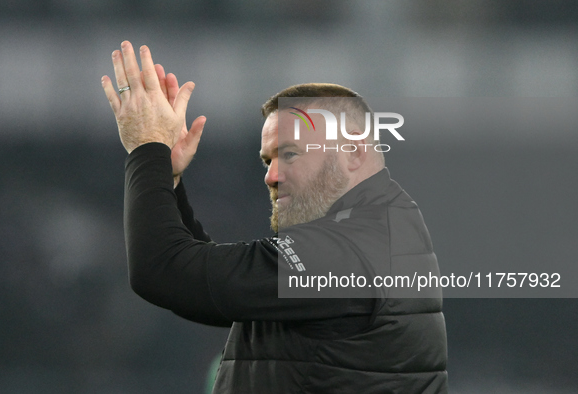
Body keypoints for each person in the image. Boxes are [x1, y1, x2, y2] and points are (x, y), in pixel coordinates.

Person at [101, 41, 448, 393]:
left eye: (291, 154)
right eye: (268, 160)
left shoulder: (347, 250)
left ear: (353, 153)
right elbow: (214, 292)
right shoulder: (378, 230)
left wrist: (147, 148)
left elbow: (162, 271)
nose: (271, 176)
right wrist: (168, 179)